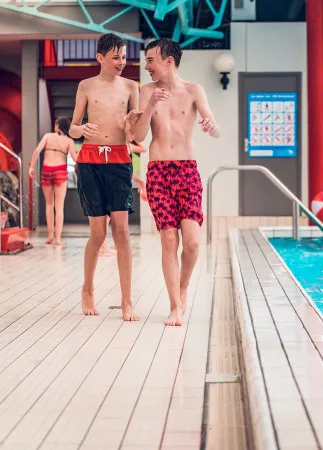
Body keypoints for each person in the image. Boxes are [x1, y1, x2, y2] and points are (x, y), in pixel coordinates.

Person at [129, 38, 220, 327]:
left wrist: (211, 127)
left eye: (151, 60)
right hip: (157, 170)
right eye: (146, 60)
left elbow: (214, 129)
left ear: (169, 60)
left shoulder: (194, 90)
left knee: (192, 243)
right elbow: (138, 137)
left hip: (187, 170)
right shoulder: (147, 91)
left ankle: (183, 288)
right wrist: (151, 104)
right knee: (169, 239)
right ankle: (175, 306)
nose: (147, 66)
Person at [69, 32, 140, 321]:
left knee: (121, 231)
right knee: (98, 233)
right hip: (90, 160)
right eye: (115, 57)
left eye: (124, 56)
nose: (121, 62)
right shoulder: (85, 86)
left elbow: (137, 132)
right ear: (100, 58)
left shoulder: (130, 86)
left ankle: (127, 300)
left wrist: (132, 126)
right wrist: (81, 130)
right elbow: (73, 128)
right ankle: (87, 289)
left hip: (120, 158)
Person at [99, 120, 147, 257]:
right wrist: (139, 181)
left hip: (121, 182)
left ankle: (115, 246)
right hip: (112, 181)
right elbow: (122, 168)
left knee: (116, 217)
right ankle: (104, 247)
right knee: (108, 216)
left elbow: (143, 149)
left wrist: (133, 137)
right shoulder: (119, 145)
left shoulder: (128, 146)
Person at [29, 117, 77, 245]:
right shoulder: (69, 141)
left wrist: (31, 167)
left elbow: (37, 151)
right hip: (60, 171)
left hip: (46, 170)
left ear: (57, 126)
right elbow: (75, 158)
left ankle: (50, 236)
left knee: (49, 205)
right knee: (59, 206)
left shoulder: (48, 136)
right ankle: (58, 239)